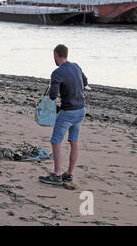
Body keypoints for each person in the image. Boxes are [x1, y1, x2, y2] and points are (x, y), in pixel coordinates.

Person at [39, 44, 88, 185]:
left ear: (56, 55)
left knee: (56, 141)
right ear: (66, 54)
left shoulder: (57, 72)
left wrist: (58, 87)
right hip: (81, 110)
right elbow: (85, 82)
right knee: (74, 141)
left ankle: (57, 175)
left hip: (68, 111)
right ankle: (69, 174)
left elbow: (53, 96)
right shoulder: (76, 66)